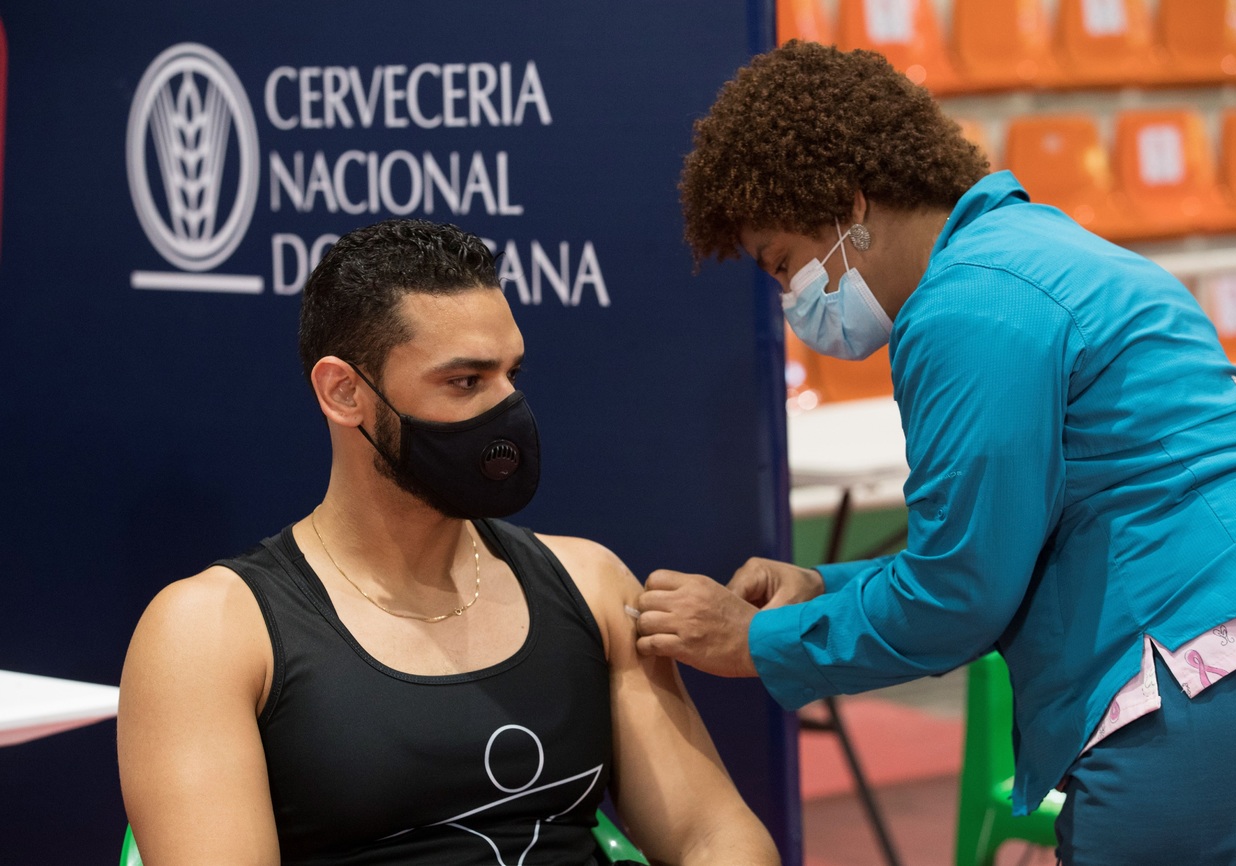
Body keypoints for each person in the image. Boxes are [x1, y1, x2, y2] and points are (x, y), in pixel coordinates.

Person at [635, 40, 1236, 864]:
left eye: (786, 264)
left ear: (848, 205)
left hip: (1188, 701)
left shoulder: (967, 306)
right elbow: (993, 550)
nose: (792, 296)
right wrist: (822, 587)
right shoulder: (1037, 249)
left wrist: (754, 642)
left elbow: (959, 596)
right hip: (1231, 673)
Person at [117, 219, 780, 866]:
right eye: (465, 382)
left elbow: (714, 835)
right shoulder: (210, 633)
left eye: (512, 375)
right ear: (344, 392)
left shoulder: (591, 584)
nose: (507, 411)